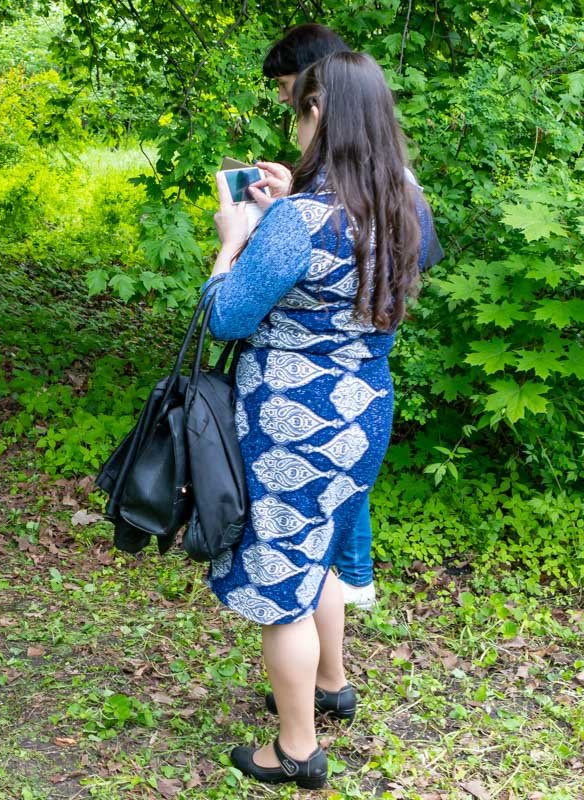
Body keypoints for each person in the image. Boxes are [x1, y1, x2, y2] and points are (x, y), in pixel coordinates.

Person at [203, 51, 438, 788]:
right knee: (324, 550)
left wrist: (232, 241)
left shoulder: (299, 222)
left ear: (317, 116)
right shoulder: (406, 204)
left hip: (289, 424)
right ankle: (331, 683)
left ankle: (295, 749)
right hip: (362, 411)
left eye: (299, 112)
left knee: (281, 587)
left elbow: (225, 317)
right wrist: (281, 214)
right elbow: (356, 265)